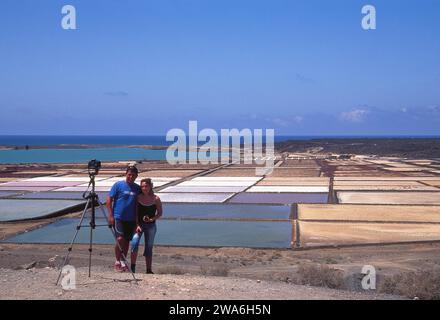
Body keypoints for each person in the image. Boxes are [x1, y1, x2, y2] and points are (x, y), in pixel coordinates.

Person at [106, 166, 141, 272]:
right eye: (129, 174)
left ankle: (123, 261)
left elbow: (139, 203)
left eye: (133, 175)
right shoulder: (118, 185)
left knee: (126, 241)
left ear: (136, 176)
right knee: (120, 239)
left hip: (131, 219)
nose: (131, 176)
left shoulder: (137, 188)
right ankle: (117, 261)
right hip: (119, 218)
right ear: (126, 174)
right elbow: (109, 199)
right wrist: (110, 215)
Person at [130, 178, 163, 274]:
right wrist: (137, 225)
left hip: (151, 226)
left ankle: (148, 270)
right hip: (139, 225)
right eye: (142, 186)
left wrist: (151, 219)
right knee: (134, 243)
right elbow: (135, 213)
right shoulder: (138, 197)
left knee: (149, 247)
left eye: (146, 186)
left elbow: (160, 213)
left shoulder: (156, 199)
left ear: (150, 186)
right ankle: (132, 268)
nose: (144, 188)